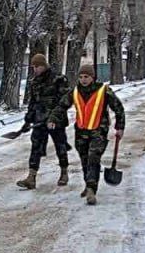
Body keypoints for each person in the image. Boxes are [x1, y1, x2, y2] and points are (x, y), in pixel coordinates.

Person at [48, 65, 125, 206]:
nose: (83, 80)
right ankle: (88, 183)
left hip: (98, 131)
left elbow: (118, 108)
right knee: (84, 160)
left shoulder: (104, 90)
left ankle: (91, 189)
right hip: (81, 132)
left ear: (92, 77)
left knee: (93, 158)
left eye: (86, 77)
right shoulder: (75, 92)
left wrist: (120, 127)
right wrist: (53, 118)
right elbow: (61, 106)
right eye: (81, 77)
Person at [15, 53, 70, 190]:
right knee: (36, 147)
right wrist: (28, 120)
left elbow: (65, 100)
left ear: (44, 65)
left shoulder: (58, 79)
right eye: (33, 67)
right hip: (39, 120)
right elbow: (33, 102)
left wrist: (54, 117)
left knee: (60, 146)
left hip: (56, 121)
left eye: (37, 66)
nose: (35, 69)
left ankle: (64, 173)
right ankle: (31, 177)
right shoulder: (35, 82)